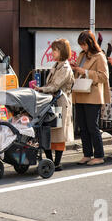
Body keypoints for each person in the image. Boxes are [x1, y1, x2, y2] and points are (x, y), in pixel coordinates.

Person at [71, 30, 110, 166]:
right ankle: (87, 154)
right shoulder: (82, 55)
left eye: (84, 44)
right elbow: (81, 72)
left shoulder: (100, 56)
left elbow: (104, 77)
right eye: (81, 45)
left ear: (90, 43)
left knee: (92, 126)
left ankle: (99, 155)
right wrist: (75, 68)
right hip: (80, 92)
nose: (82, 47)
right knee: (83, 126)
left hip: (92, 95)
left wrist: (86, 72)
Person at [35, 39, 75, 171]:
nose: (52, 52)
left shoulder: (65, 67)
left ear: (62, 51)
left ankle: (56, 163)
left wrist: (40, 89)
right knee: (49, 130)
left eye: (55, 50)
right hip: (52, 101)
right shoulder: (57, 65)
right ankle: (50, 161)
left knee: (58, 132)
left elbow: (55, 86)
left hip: (60, 102)